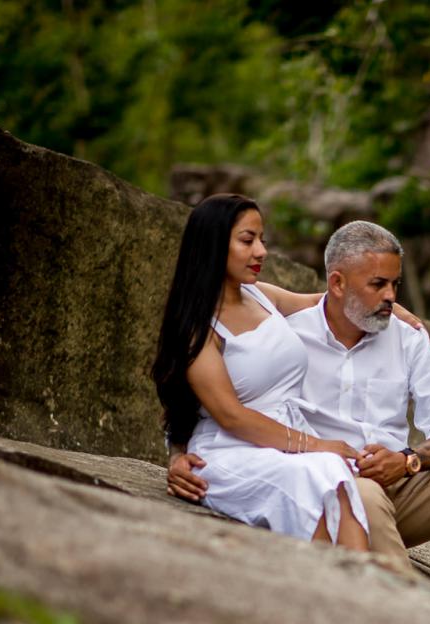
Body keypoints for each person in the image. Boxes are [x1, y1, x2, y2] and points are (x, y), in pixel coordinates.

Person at [168, 220, 430, 623]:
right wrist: (178, 451)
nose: (390, 296)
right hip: (333, 486)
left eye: (395, 285)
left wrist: (407, 461)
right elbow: (211, 393)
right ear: (337, 283)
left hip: (405, 484)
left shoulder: (406, 335)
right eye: (377, 285)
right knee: (360, 491)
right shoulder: (285, 334)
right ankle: (411, 619)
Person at [150, 194, 370, 550]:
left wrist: (386, 308)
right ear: (213, 244)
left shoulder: (261, 296)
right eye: (247, 240)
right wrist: (314, 445)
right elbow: (231, 416)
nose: (261, 251)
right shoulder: (196, 326)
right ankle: (345, 590)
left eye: (262, 240)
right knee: (312, 474)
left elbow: (330, 303)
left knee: (330, 472)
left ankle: (369, 590)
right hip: (231, 450)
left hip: (288, 441)